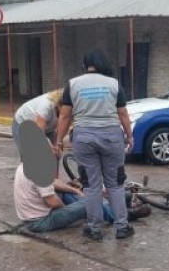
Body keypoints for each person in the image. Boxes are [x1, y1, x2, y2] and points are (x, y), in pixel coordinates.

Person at [54, 49, 134, 241]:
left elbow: (65, 115)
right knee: (115, 183)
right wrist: (129, 137)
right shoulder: (113, 84)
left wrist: (59, 140)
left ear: (85, 64)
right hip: (111, 137)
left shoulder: (73, 84)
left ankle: (94, 228)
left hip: (84, 137)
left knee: (91, 185)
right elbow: (122, 113)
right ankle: (122, 227)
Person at [13, 162, 87, 234]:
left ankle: (84, 208)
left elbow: (54, 182)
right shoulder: (40, 171)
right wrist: (66, 211)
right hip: (40, 222)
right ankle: (90, 210)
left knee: (66, 191)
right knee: (91, 202)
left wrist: (74, 190)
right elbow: (54, 203)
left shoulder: (24, 165)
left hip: (30, 219)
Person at [11, 89, 64, 159]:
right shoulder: (46, 105)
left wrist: (57, 144)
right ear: (59, 104)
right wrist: (49, 147)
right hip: (24, 123)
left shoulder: (70, 109)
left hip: (48, 127)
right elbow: (39, 132)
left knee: (54, 155)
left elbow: (62, 128)